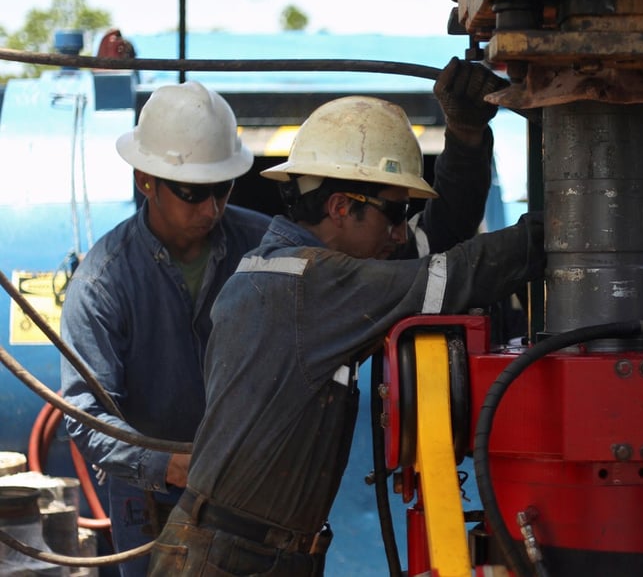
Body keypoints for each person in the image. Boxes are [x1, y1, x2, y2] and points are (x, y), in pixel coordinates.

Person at [146, 88, 543, 575]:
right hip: (227, 561)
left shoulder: (290, 270)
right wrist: (572, 230)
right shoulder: (308, 284)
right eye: (395, 213)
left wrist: (466, 138)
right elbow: (452, 275)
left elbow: (434, 243)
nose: (400, 231)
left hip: (258, 554)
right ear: (339, 207)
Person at [59, 80, 271, 576]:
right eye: (193, 193)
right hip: (151, 504)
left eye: (223, 190)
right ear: (145, 180)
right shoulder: (102, 280)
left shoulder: (267, 248)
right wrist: (166, 464)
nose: (211, 210)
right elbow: (84, 412)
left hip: (256, 497)